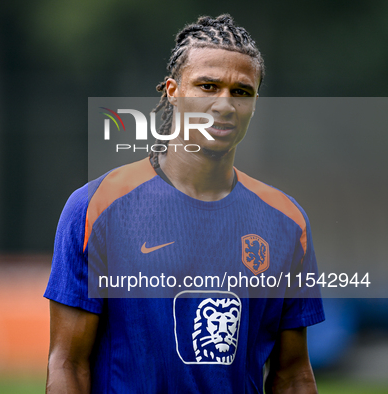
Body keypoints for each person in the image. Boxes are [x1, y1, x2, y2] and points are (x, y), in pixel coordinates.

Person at [44, 14, 324, 393]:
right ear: (173, 91)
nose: (224, 104)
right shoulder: (97, 207)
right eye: (207, 86)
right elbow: (68, 363)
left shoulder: (286, 221)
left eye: (241, 92)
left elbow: (293, 374)